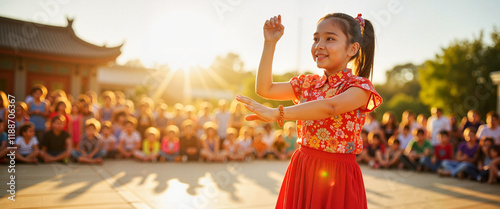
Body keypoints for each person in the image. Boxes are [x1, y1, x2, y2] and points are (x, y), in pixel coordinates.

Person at [236, 13, 381, 208]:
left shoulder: (360, 87)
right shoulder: (307, 83)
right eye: (316, 39)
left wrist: (278, 114)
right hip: (303, 166)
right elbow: (265, 89)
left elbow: (330, 107)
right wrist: (269, 44)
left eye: (330, 38)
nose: (319, 45)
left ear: (352, 48)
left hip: (338, 174)